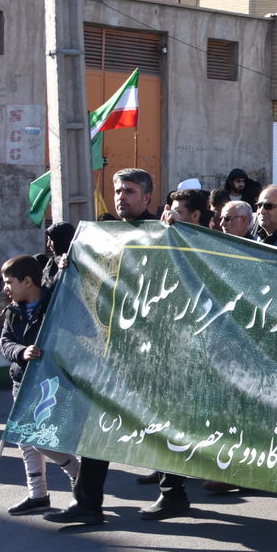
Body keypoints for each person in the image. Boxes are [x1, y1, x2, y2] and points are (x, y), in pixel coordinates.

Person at [45, 168, 191, 524]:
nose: (121, 196)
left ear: (146, 197)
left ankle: (173, 493)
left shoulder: (165, 234)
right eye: (117, 190)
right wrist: (67, 265)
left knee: (158, 424)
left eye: (128, 191)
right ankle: (88, 504)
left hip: (154, 350)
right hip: (109, 349)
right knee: (97, 424)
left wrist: (177, 231)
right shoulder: (101, 235)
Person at [0, 255, 81, 514]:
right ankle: (38, 495)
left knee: (39, 438)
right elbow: (6, 342)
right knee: (26, 443)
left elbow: (64, 288)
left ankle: (76, 472)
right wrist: (22, 351)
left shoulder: (52, 303)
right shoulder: (13, 312)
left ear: (27, 281)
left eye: (9, 282)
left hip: (49, 384)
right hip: (21, 381)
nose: (5, 288)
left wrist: (64, 267)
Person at [40, 221, 76, 290]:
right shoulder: (51, 263)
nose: (48, 244)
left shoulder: (76, 265)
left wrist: (61, 270)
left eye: (51, 240)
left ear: (61, 239)